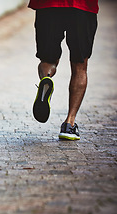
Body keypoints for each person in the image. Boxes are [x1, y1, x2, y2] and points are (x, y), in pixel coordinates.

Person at [29, 0, 99, 140]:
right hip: (83, 6)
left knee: (47, 60)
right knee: (80, 66)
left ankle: (46, 79)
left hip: (48, 5)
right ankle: (69, 124)